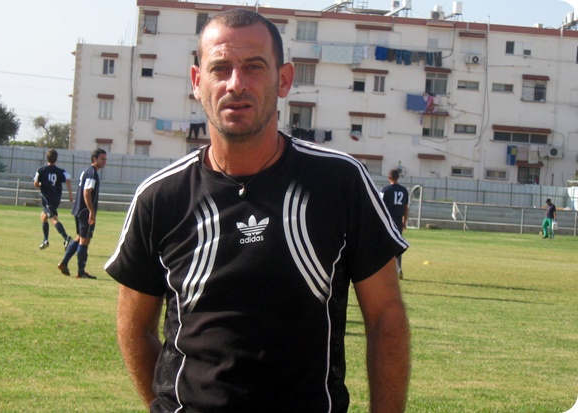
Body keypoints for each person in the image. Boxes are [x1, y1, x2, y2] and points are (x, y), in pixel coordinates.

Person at [105, 9, 410, 413]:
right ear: (197, 81)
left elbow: (386, 316)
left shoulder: (340, 182)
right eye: (220, 68)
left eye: (254, 67)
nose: (236, 84)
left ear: (283, 79)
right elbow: (134, 326)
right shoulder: (160, 196)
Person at [57, 149, 107, 279]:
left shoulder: (86, 171)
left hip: (78, 209)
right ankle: (81, 272)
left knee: (79, 238)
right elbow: (87, 192)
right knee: (84, 241)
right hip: (85, 211)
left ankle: (64, 263)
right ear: (94, 159)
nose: (104, 161)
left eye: (105, 159)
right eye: (102, 159)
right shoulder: (92, 174)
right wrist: (91, 211)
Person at [33, 149, 73, 250]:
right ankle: (45, 240)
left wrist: (42, 186)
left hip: (48, 199)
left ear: (47, 158)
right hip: (56, 198)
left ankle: (66, 237)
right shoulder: (60, 171)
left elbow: (35, 183)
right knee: (43, 216)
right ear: (56, 159)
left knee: (53, 219)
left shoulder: (41, 170)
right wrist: (70, 195)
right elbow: (68, 181)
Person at [381, 169, 410, 279]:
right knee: (398, 245)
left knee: (385, 245)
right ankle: (398, 269)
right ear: (398, 177)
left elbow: (379, 205)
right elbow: (406, 208)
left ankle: (385, 270)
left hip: (387, 221)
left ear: (389, 178)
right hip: (398, 221)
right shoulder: (404, 190)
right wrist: (404, 222)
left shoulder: (385, 190)